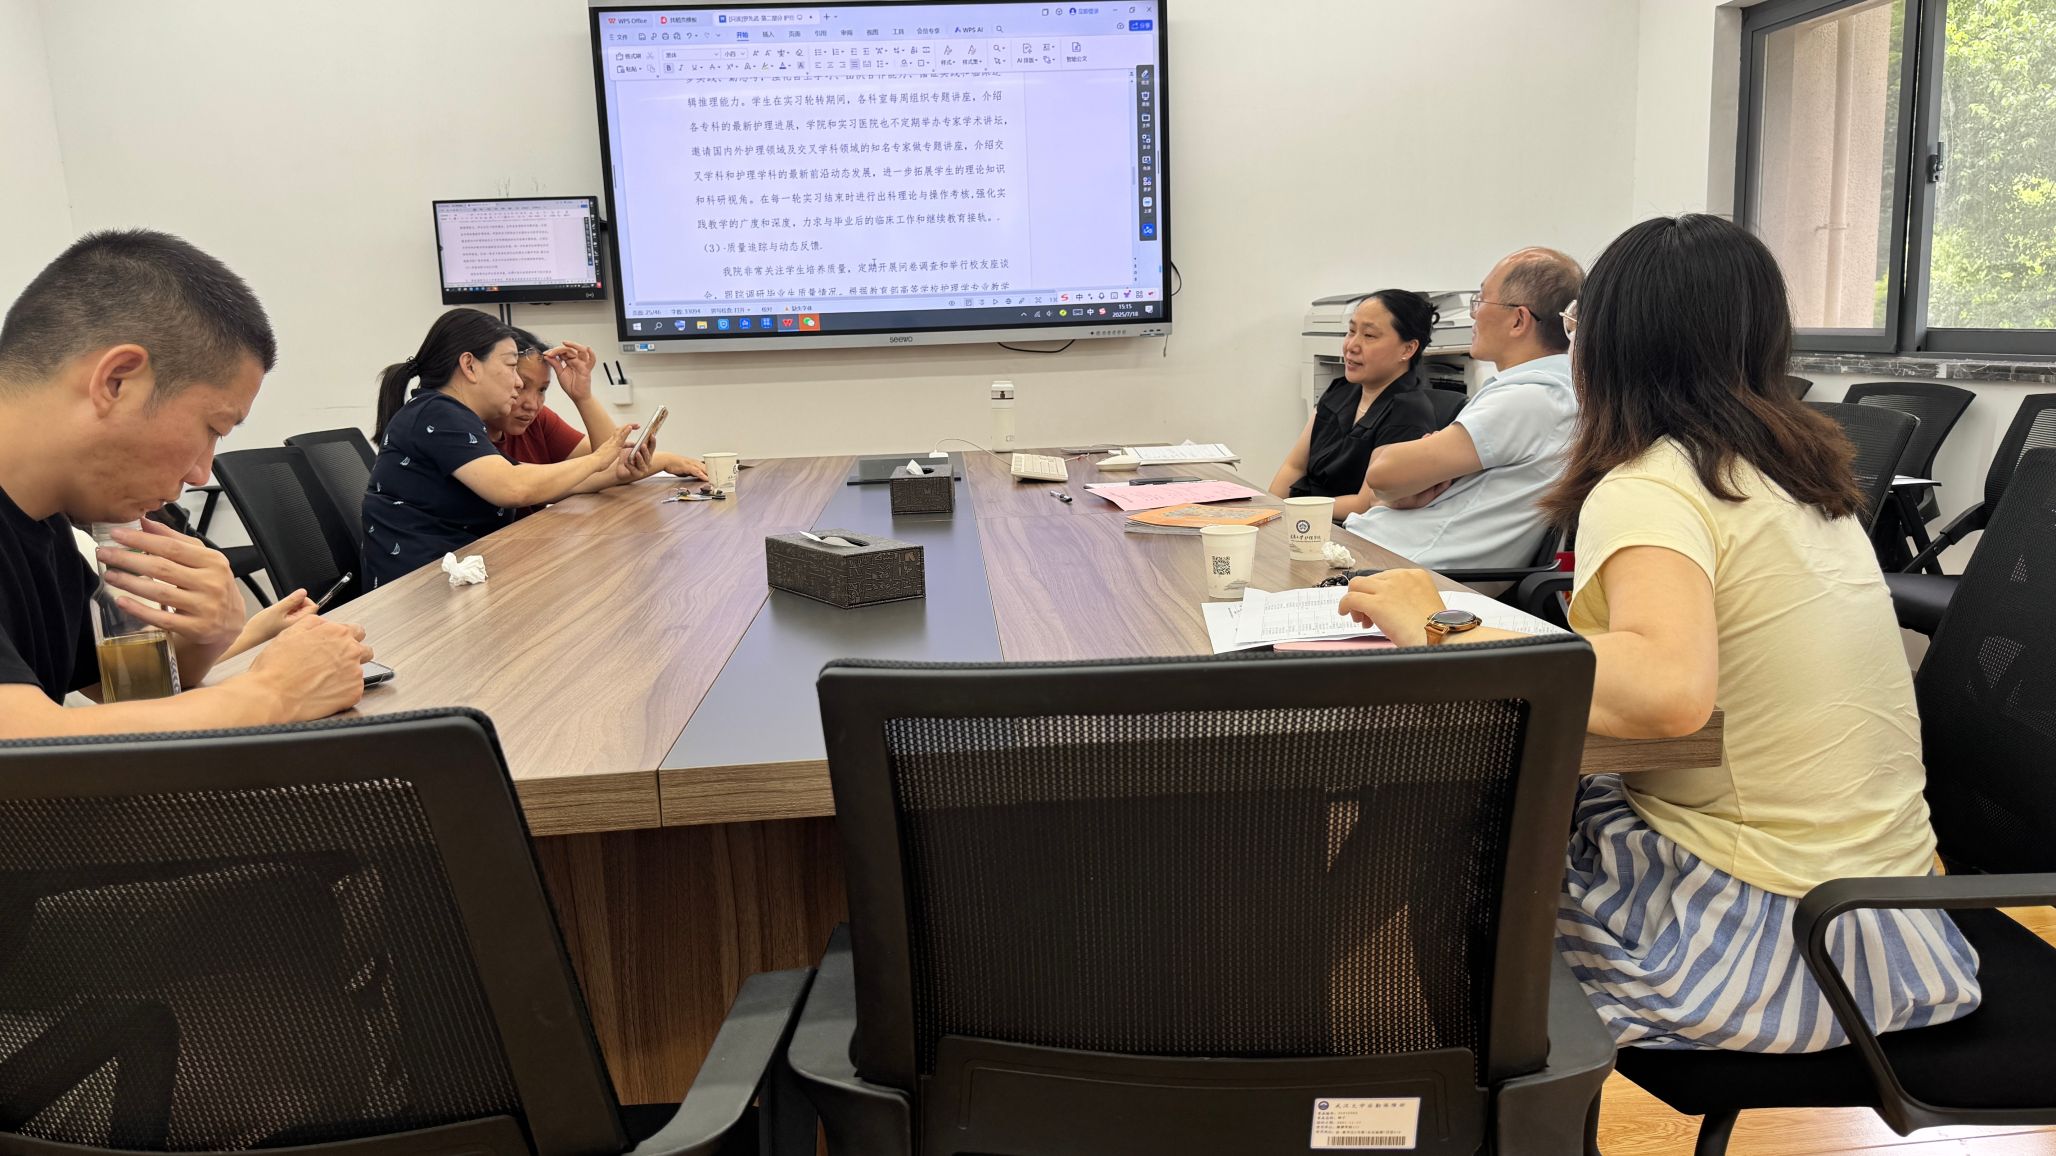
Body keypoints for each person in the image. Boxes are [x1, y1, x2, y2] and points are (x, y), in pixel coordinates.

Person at [1336, 214, 1979, 1052]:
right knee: (1493, 809)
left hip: (1772, 944)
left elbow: (1666, 693)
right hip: (1893, 923)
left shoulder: (1654, 481)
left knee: (1455, 852)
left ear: (1607, 343)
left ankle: (1305, 1025)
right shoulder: (1796, 472)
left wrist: (1435, 622)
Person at [0, 230, 374, 738]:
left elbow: (120, 697)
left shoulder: (45, 526)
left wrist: (206, 637)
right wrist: (275, 693)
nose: (200, 473)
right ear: (117, 381)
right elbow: (24, 746)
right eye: (212, 428)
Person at [1340, 247, 1583, 569]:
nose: (1473, 314)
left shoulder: (1529, 400)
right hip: (1388, 553)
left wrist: (1399, 481)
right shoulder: (1555, 392)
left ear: (1518, 320)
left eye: (1481, 300)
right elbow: (1385, 487)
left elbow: (1382, 475)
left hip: (1396, 565)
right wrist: (1398, 487)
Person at [364, 309, 641, 590]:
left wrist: (610, 468)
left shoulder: (454, 417)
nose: (517, 383)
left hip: (452, 579)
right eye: (511, 366)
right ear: (470, 366)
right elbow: (513, 487)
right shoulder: (437, 413)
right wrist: (597, 460)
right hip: (420, 592)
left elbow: (537, 478)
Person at [1267, 291, 1440, 518]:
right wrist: (1269, 512)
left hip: (1344, 528)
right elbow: (1294, 466)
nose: (1351, 346)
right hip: (1301, 516)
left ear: (1407, 349)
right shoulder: (1341, 390)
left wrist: (1291, 511)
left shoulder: (1408, 413)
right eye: (1351, 331)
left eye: (1369, 335)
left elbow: (1364, 503)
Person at [498, 327, 706, 484]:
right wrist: (664, 461)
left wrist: (583, 396)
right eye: (521, 386)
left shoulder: (539, 419)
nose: (532, 404)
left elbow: (610, 461)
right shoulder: (478, 434)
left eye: (542, 390)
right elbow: (532, 485)